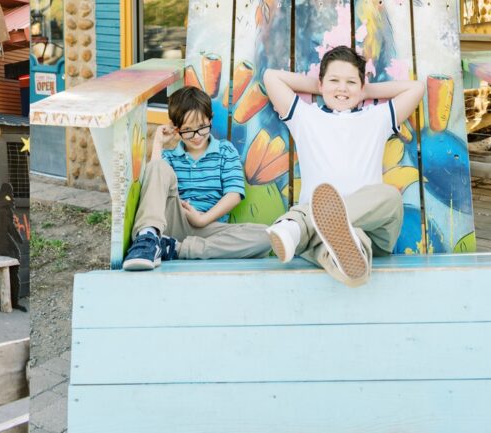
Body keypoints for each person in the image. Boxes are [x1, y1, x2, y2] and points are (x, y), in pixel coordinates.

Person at [263, 45, 425, 287]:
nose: (341, 88)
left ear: (362, 86)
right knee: (348, 247)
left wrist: (362, 91)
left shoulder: (377, 118)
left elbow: (416, 88)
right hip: (334, 240)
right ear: (320, 84)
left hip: (372, 228)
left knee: (390, 196)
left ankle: (295, 227)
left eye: (350, 82)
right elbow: (271, 77)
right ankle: (352, 261)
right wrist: (330, 85)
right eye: (334, 80)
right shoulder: (305, 117)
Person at [122, 86, 271, 271]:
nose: (196, 136)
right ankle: (148, 238)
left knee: (268, 235)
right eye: (188, 130)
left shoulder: (225, 151)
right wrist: (158, 144)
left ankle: (175, 249)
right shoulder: (168, 157)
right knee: (157, 167)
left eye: (202, 127)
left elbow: (234, 194)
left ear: (210, 120)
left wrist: (202, 220)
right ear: (176, 129)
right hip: (174, 220)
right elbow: (154, 182)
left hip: (209, 227)